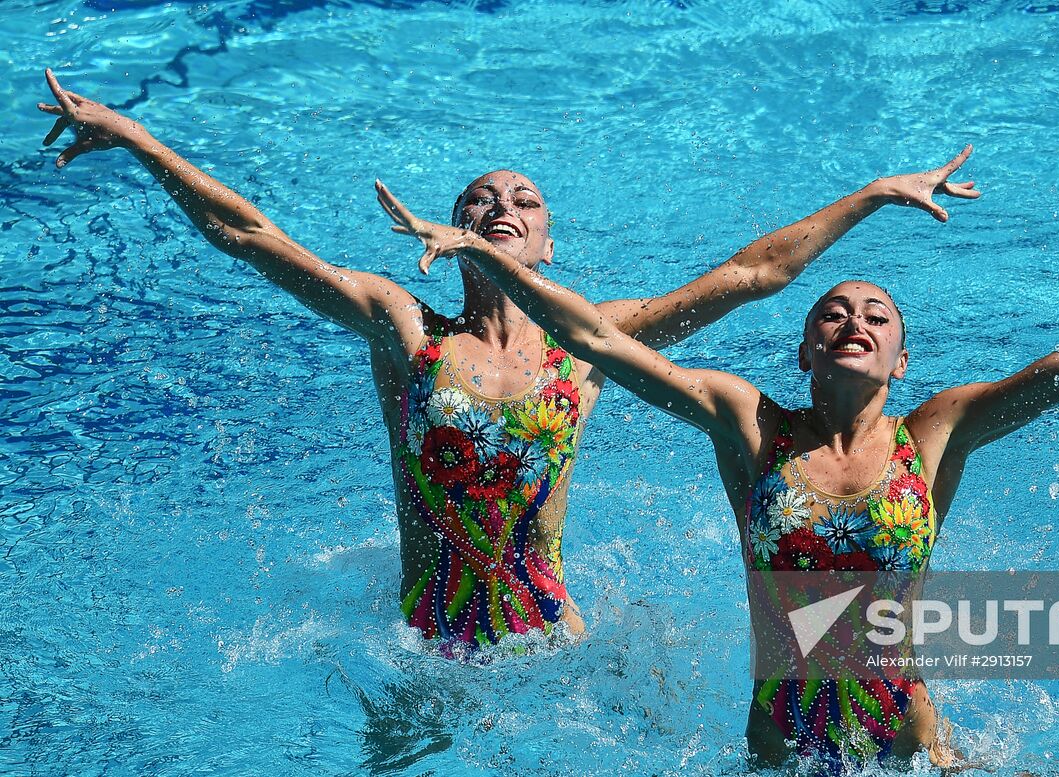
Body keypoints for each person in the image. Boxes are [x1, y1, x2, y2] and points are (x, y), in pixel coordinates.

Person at [375, 177, 1059, 767]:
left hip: (913, 749)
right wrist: (489, 264)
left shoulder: (936, 434)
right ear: (804, 350)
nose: (853, 318)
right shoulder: (749, 427)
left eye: (876, 313)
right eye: (832, 311)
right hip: (779, 753)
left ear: (902, 358)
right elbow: (592, 337)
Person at [37, 69, 981, 653]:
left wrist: (873, 194)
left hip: (550, 649)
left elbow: (755, 272)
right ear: (449, 232)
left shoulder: (591, 344)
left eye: (524, 201)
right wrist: (133, 137)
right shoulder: (404, 327)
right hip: (421, 644)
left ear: (547, 245)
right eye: (480, 198)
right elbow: (248, 236)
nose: (502, 206)